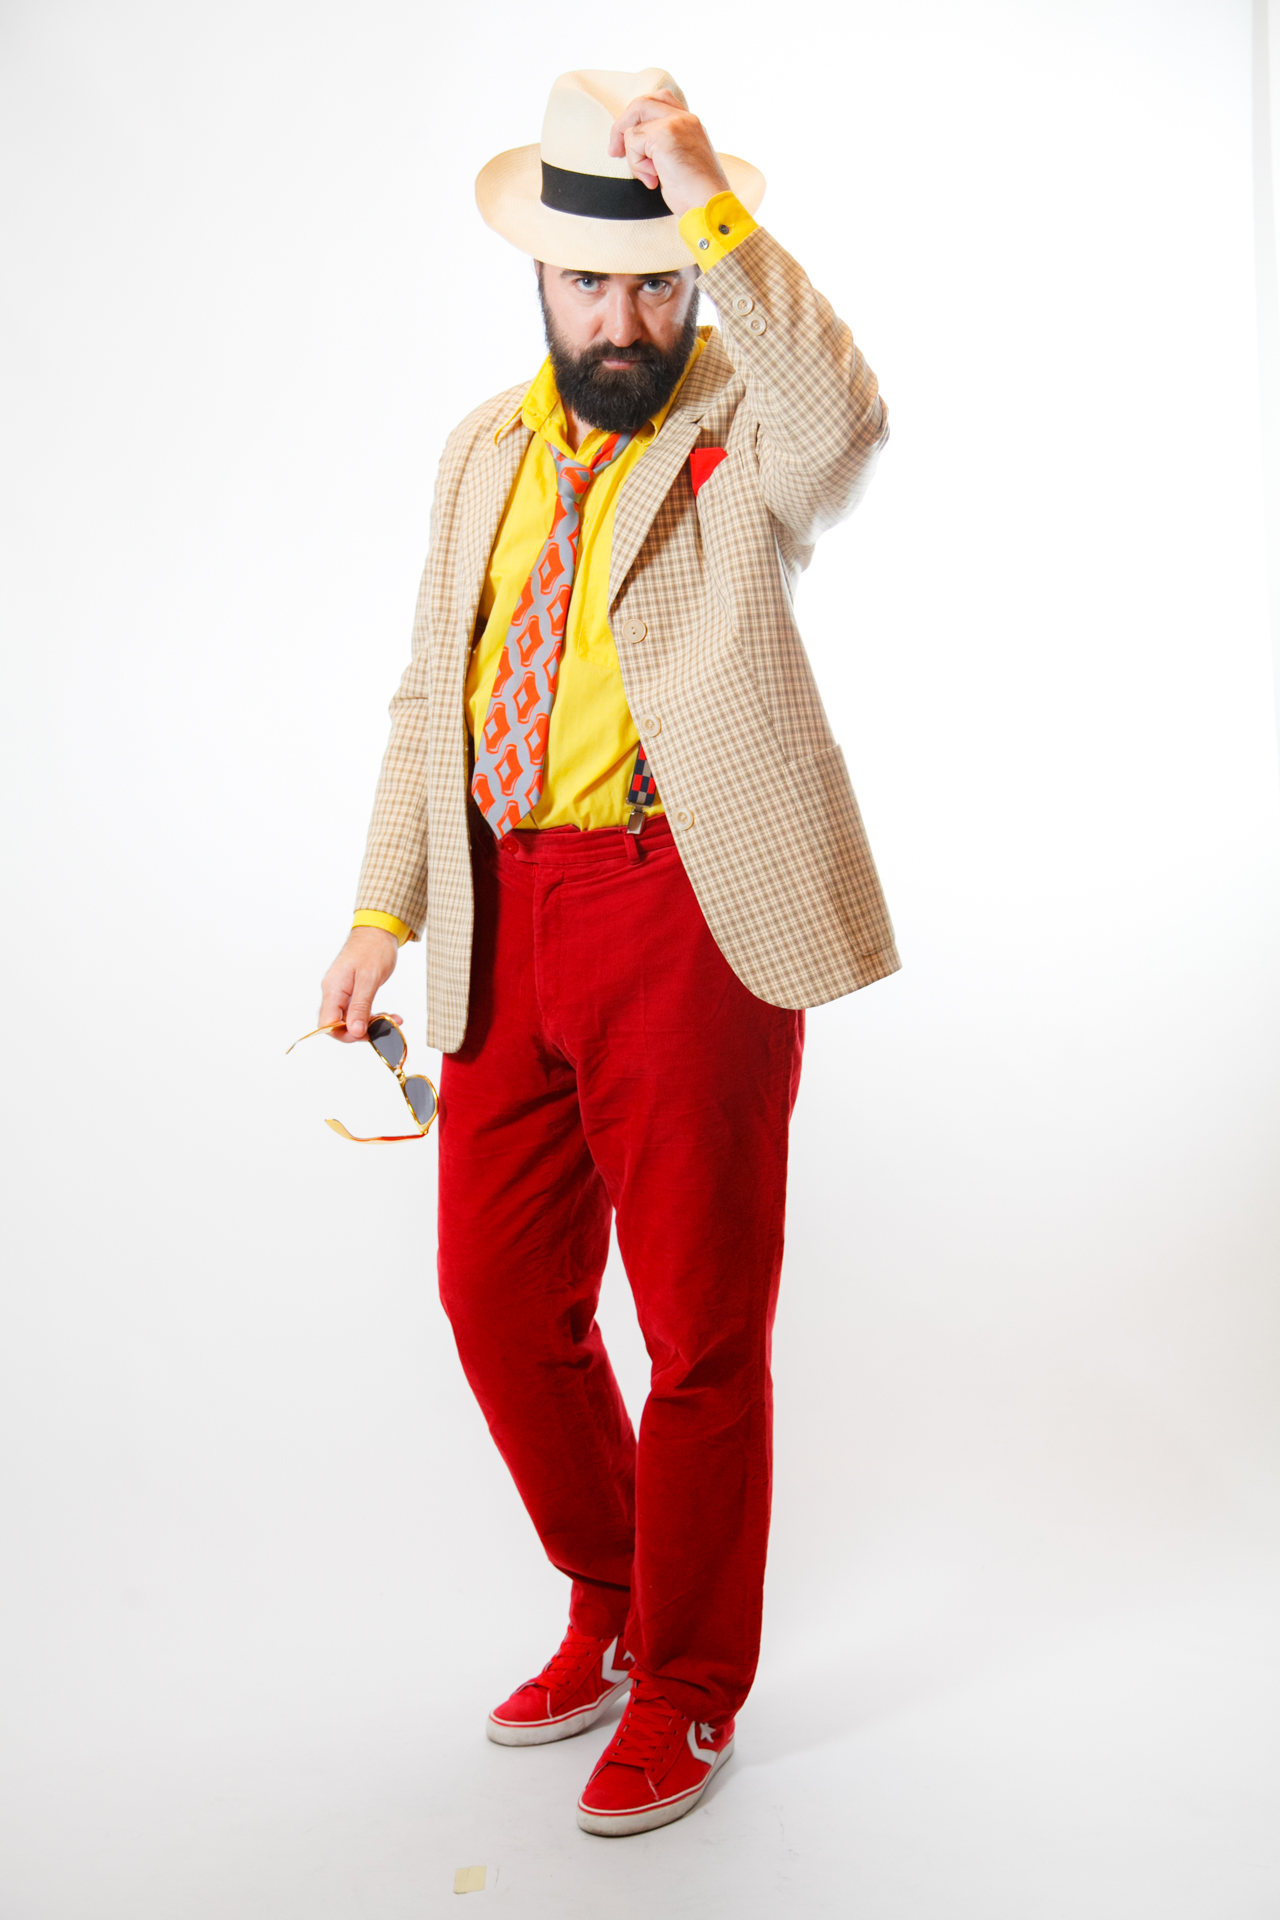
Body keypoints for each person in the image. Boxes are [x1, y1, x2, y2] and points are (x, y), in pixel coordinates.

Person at [315, 67, 897, 1837]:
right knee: (500, 1300)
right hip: (503, 909)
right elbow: (429, 690)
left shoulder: (742, 428)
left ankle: (694, 1686)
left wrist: (710, 197)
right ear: (542, 282)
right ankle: (620, 1596)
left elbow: (850, 423)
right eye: (593, 285)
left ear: (693, 279)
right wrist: (382, 910)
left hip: (684, 907)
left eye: (657, 285)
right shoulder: (479, 450)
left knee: (702, 1330)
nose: (625, 323)